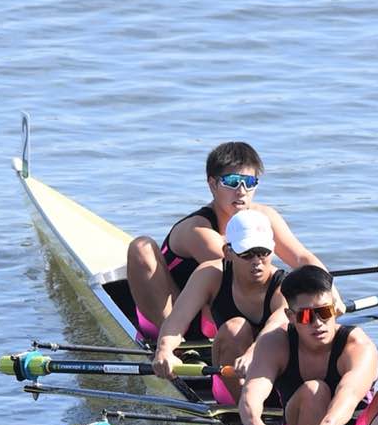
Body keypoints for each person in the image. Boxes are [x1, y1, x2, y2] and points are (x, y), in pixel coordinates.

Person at [125, 141, 321, 343]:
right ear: (213, 184)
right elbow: (245, 270)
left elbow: (301, 257)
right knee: (142, 246)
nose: (241, 191)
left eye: (249, 182)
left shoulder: (265, 216)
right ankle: (172, 343)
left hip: (222, 316)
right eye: (232, 181)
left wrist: (327, 295)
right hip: (178, 316)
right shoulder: (198, 229)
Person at [237, 266, 378, 425]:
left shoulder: (358, 346)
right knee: (315, 390)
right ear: (290, 316)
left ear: (335, 309)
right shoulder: (275, 343)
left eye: (325, 312)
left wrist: (328, 424)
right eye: (306, 316)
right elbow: (252, 391)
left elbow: (349, 394)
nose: (318, 323)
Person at [151, 209, 288, 402]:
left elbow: (276, 325)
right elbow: (178, 319)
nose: (257, 262)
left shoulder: (284, 287)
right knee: (235, 328)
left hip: (270, 377)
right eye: (247, 253)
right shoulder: (210, 274)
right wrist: (164, 350)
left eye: (263, 252)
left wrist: (253, 353)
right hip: (230, 377)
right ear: (228, 252)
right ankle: (245, 409)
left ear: (272, 249)